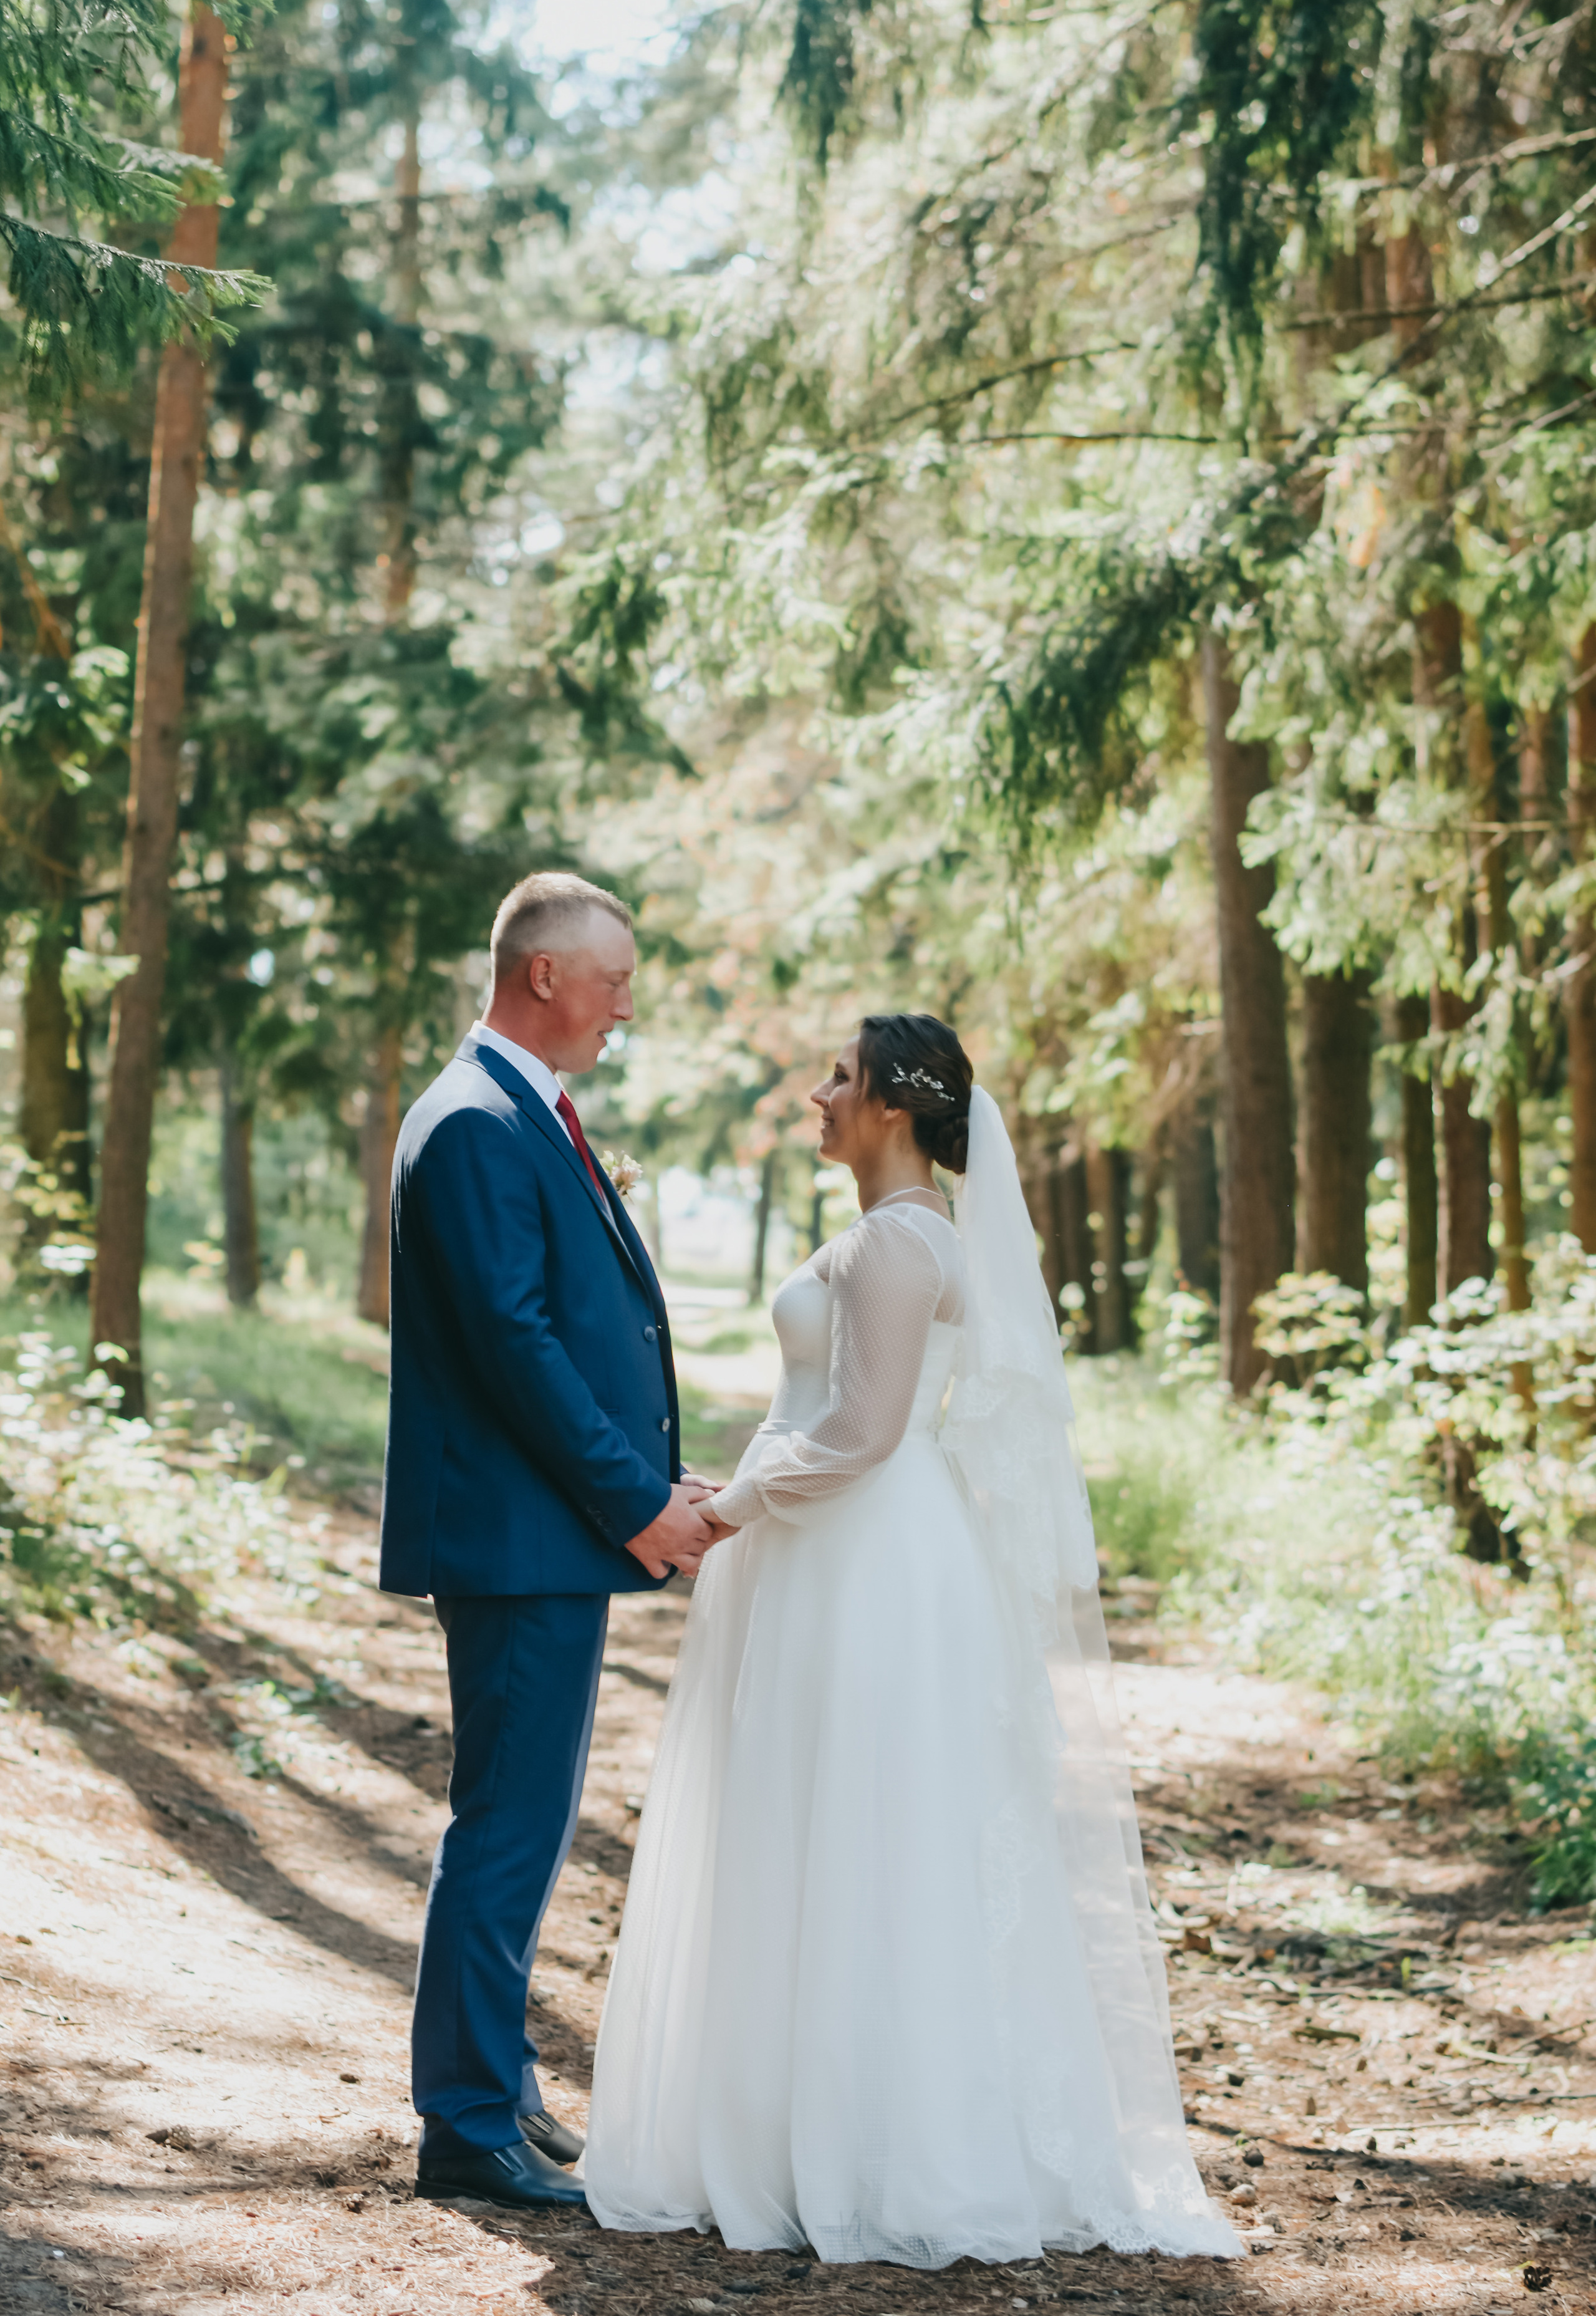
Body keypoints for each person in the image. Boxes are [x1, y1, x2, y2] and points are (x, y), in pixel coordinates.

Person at [584, 1013, 1241, 2267]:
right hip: (841, 1542)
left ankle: (866, 2146)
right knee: (836, 1825)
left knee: (855, 1828)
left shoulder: (897, 1241)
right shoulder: (902, 1232)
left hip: (863, 1558)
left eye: (838, 1076)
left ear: (891, 1104)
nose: (816, 1094)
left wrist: (720, 1511)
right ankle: (805, 2127)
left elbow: (862, 1434)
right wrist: (747, 1486)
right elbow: (828, 1416)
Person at [378, 872, 721, 2212]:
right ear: (543, 980)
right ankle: (464, 2121)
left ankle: (501, 2084)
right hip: (516, 1544)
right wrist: (636, 1505)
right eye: (615, 978)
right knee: (507, 1830)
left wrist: (653, 1472)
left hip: (540, 1539)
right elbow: (514, 1349)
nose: (626, 1005)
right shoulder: (471, 1122)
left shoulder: (518, 1111)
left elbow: (568, 1327)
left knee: (524, 1820)